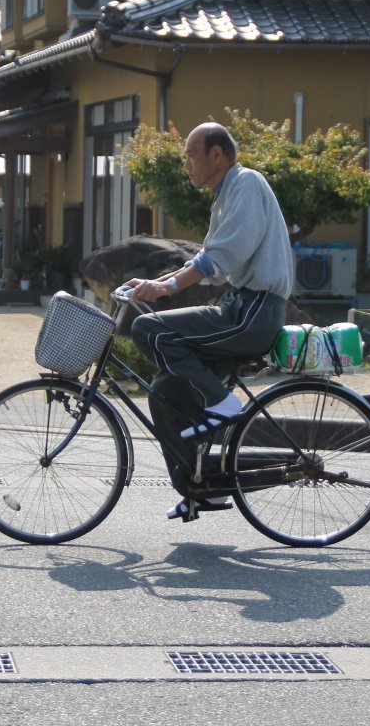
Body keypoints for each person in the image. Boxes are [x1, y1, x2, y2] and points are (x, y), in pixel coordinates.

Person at [125, 122, 294, 522]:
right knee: (164, 391)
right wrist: (158, 282)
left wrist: (167, 289)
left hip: (255, 310)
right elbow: (212, 261)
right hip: (239, 304)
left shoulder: (246, 184)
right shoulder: (224, 196)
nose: (186, 164)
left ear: (215, 155)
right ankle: (200, 490)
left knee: (148, 328)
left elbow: (224, 256)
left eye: (190, 154)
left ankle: (221, 403)